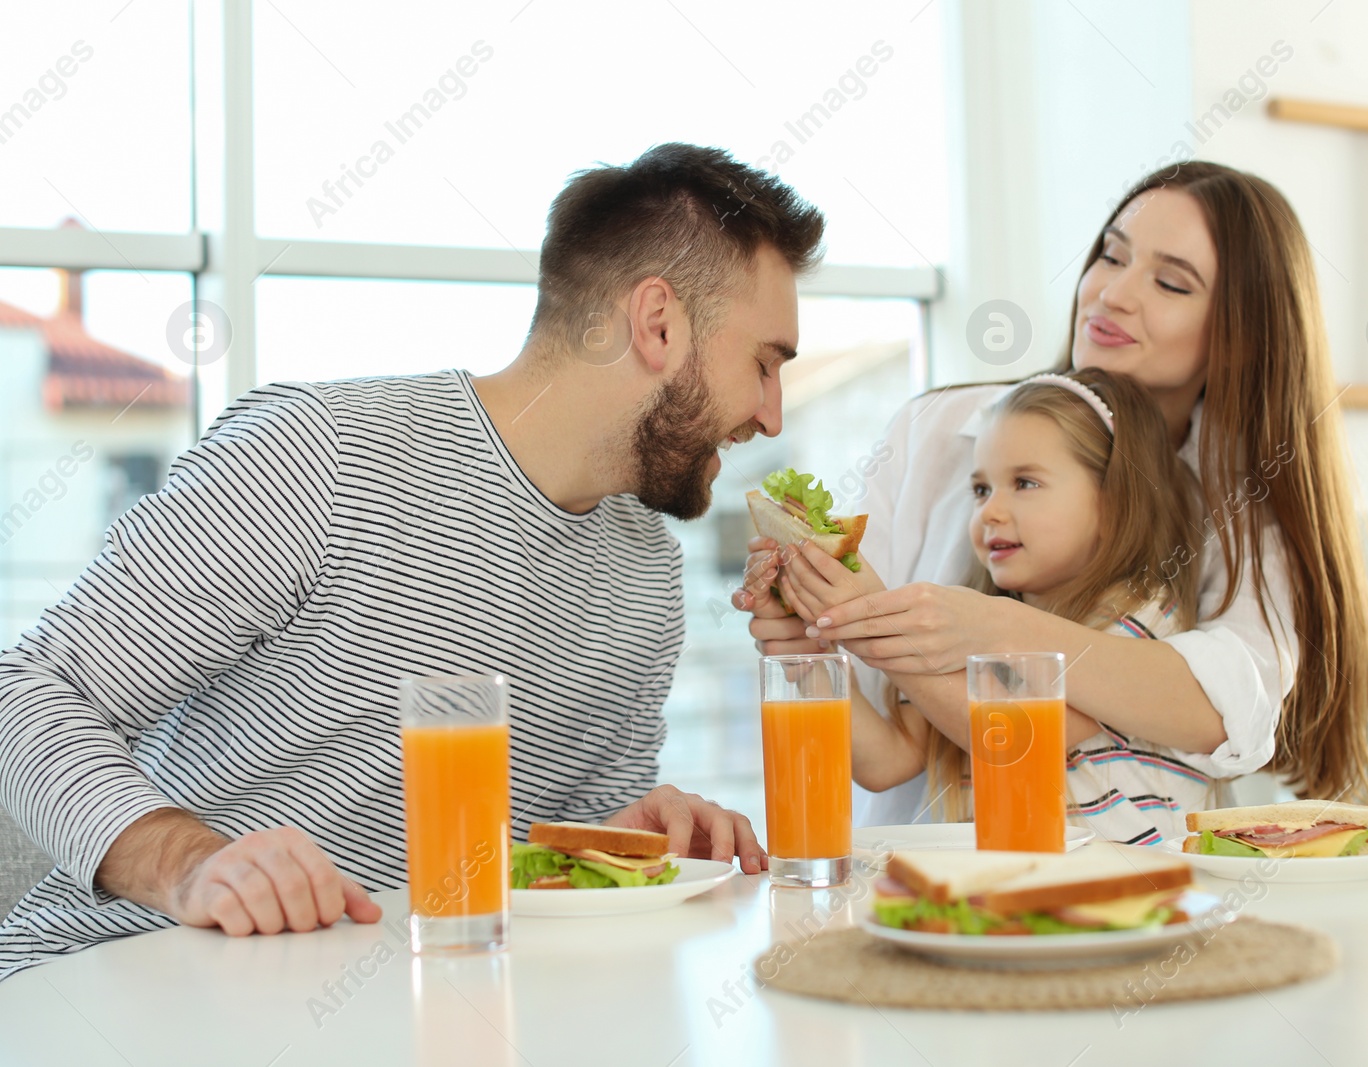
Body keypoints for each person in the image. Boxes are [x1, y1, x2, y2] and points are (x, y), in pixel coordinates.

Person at [0, 143, 824, 980]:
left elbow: (533, 860)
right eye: (764, 363)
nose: (772, 414)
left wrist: (617, 832)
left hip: (400, 1004)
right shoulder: (318, 458)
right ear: (657, 324)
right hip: (116, 979)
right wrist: (189, 865)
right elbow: (26, 693)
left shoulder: (647, 570)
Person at [739, 161, 1368, 825]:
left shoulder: (1178, 572)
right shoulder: (940, 434)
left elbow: (1221, 705)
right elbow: (887, 753)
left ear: (1241, 337)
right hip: (944, 900)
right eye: (1112, 255)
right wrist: (813, 630)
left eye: (1169, 283)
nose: (1112, 293)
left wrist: (931, 624)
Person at [778, 368, 1222, 844]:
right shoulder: (964, 627)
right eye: (981, 490)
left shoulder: (1142, 615)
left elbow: (1011, 740)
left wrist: (870, 618)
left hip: (1126, 892)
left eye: (1025, 483)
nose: (990, 511)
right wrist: (812, 651)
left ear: (1112, 503)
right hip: (1004, 890)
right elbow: (886, 762)